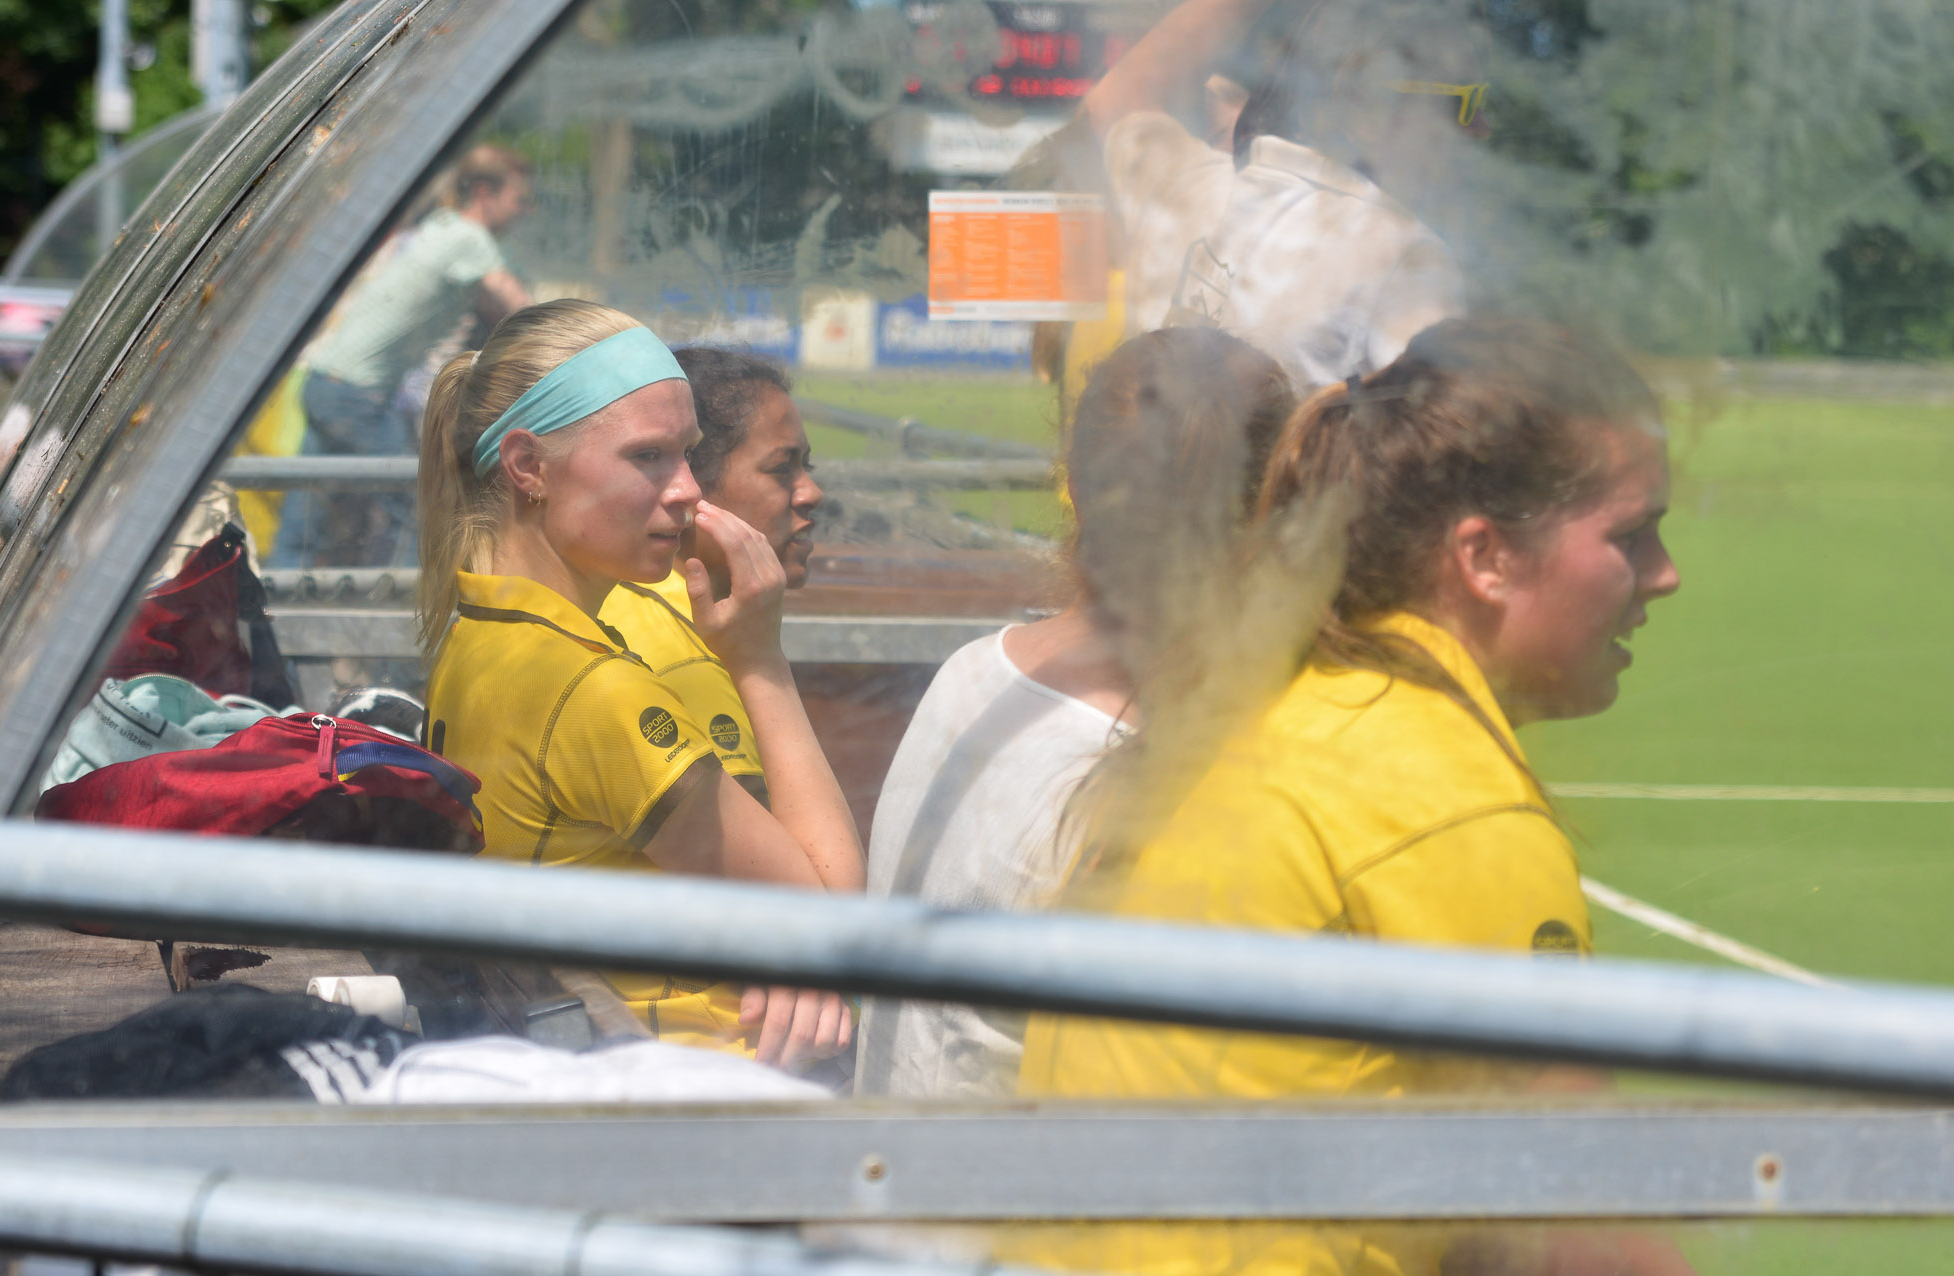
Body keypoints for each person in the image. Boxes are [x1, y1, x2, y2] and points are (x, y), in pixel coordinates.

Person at [1006, 318, 1734, 1276]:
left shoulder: (1265, 705)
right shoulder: (1437, 791)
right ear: (1483, 556)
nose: (1664, 573)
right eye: (1628, 535)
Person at [855, 328, 1299, 1099]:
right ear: (1272, 520)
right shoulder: (1158, 776)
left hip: (887, 1161)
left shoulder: (973, 672)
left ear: (1075, 482)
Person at [417, 299, 860, 1068]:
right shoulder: (593, 688)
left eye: (688, 454)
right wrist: (760, 661)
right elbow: (837, 921)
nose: (688, 489)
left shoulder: (482, 633)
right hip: (693, 1086)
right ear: (527, 466)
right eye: (649, 456)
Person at [1053, 0, 1471, 398]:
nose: (1481, 126)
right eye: (1465, 102)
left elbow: (1118, 102)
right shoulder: (1404, 254)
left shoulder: (1190, 190)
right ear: (1370, 108)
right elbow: (1435, 436)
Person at [276, 145, 536, 568]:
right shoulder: (469, 238)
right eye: (519, 200)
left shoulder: (441, 226)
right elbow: (521, 310)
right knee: (415, 500)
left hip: (324, 381)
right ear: (484, 193)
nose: (525, 212)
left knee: (305, 516)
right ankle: (407, 599)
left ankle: (279, 590)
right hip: (356, 394)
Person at [597, 348, 822, 805]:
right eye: (782, 468)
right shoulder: (680, 656)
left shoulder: (625, 597)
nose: (812, 493)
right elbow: (805, 855)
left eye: (807, 466)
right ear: (689, 485)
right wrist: (763, 666)